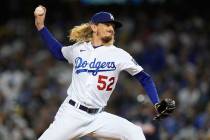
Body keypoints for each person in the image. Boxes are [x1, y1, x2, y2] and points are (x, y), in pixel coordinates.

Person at [34, 5, 175, 140]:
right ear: (94, 27)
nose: (111, 28)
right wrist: (41, 27)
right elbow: (59, 52)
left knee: (134, 132)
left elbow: (145, 79)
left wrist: (157, 103)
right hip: (72, 114)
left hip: (97, 117)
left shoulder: (119, 54)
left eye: (113, 26)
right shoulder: (79, 49)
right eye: (107, 24)